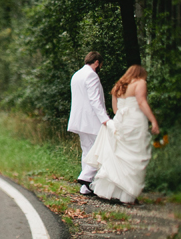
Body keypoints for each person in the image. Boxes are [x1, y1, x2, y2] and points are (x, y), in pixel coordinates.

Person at [85, 64, 159, 204]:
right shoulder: (140, 83)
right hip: (135, 122)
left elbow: (115, 109)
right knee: (134, 157)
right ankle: (128, 195)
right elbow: (142, 102)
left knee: (119, 156)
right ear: (140, 74)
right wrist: (153, 121)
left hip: (120, 122)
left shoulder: (119, 86)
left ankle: (114, 193)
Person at [67, 51, 110, 195]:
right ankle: (85, 177)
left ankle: (85, 187)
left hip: (79, 120)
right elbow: (94, 100)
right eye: (100, 64)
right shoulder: (91, 75)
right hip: (91, 120)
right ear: (97, 62)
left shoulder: (77, 74)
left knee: (87, 150)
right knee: (101, 148)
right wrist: (104, 118)